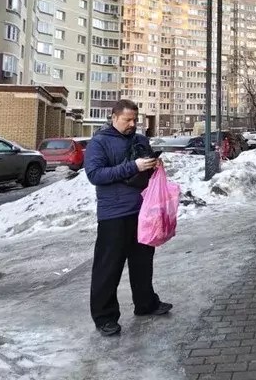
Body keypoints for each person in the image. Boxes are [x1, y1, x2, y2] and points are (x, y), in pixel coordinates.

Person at [84, 99, 173, 337]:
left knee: (143, 263)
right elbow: (95, 175)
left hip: (143, 211)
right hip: (113, 214)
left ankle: (146, 304)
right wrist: (133, 166)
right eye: (127, 120)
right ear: (113, 117)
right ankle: (105, 317)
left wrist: (154, 165)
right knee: (108, 267)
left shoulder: (140, 139)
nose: (133, 124)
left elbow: (144, 168)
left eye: (135, 119)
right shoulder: (99, 142)